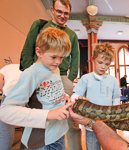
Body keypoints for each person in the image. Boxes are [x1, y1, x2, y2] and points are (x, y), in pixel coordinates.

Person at [19, 0, 81, 149]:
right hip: (39, 77)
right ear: (52, 10)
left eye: (66, 13)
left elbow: (76, 58)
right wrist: (32, 72)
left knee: (67, 118)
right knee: (36, 115)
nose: (62, 16)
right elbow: (27, 50)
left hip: (61, 77)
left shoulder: (71, 34)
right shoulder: (39, 26)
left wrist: (69, 78)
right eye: (59, 11)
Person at [0, 27, 73, 149]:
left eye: (61, 57)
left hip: (59, 133)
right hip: (41, 141)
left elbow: (50, 93)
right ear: (39, 52)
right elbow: (6, 111)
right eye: (53, 57)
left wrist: (64, 97)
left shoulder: (55, 69)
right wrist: (48, 114)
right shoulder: (31, 74)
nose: (58, 62)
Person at [70, 42, 121, 150]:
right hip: (91, 126)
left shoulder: (113, 80)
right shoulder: (86, 78)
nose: (103, 67)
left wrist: (115, 113)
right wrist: (76, 100)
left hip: (109, 125)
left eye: (107, 64)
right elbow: (75, 94)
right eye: (100, 62)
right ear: (93, 59)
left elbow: (116, 98)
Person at [0, 64, 22, 150]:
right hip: (27, 94)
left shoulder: (5, 68)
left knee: (6, 125)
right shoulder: (28, 67)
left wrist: (2, 90)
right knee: (28, 125)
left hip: (10, 94)